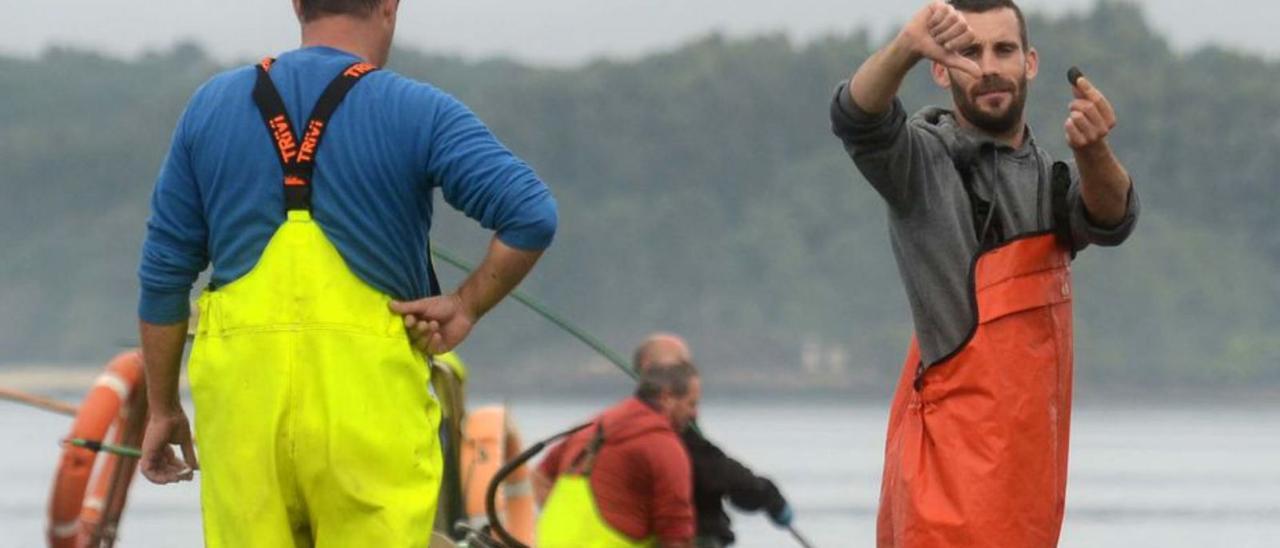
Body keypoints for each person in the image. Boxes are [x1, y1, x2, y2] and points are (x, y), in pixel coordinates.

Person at [135, 0, 556, 545]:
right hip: (369, 414)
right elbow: (531, 215)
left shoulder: (210, 107)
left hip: (243, 416)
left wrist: (163, 407)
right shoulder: (417, 110)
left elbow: (163, 275)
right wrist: (466, 303)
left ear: (296, 4)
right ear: (389, 5)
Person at [828, 0, 1138, 546]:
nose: (990, 66)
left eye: (1004, 50)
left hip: (1028, 502)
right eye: (970, 52)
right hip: (943, 500)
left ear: (1031, 62)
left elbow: (1112, 220)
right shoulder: (919, 165)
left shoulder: (1053, 174)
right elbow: (857, 119)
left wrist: (1094, 151)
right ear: (941, 69)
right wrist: (905, 46)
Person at [632, 333, 793, 548]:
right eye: (680, 365)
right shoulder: (665, 434)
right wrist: (769, 496)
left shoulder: (633, 424)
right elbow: (717, 473)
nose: (687, 373)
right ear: (649, 367)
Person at [535, 361, 701, 548]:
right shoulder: (664, 446)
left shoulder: (591, 428)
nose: (694, 414)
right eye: (691, 404)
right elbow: (676, 534)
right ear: (667, 398)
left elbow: (539, 477)